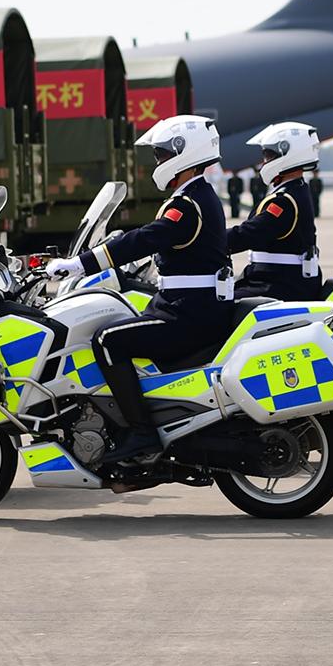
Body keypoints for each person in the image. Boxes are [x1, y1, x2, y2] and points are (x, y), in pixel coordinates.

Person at [45, 114, 231, 465]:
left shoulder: (187, 204)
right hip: (193, 305)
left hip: (188, 313)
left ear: (183, 153)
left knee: (107, 340)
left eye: (162, 154)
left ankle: (142, 432)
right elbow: (163, 242)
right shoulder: (198, 195)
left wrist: (80, 263)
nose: (158, 161)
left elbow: (146, 238)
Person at [229, 122, 324, 301]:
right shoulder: (294, 189)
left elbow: (249, 234)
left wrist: (210, 241)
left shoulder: (284, 201)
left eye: (268, 154)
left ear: (286, 153)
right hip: (279, 279)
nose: (264, 161)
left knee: (219, 306)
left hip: (279, 284)